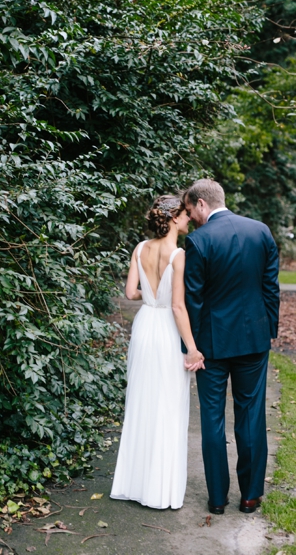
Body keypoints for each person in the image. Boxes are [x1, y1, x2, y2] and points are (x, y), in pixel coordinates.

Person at [182, 179, 279, 515]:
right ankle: (250, 496)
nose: (191, 216)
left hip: (211, 345)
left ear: (201, 203)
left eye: (191, 209)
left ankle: (218, 498)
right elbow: (270, 287)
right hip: (254, 340)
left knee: (212, 418)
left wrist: (190, 346)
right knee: (251, 415)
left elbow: (192, 299)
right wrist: (270, 330)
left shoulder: (197, 241)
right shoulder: (260, 231)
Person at [110, 195, 204, 509]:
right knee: (167, 404)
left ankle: (134, 483)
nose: (189, 218)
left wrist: (149, 296)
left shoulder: (140, 248)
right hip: (164, 328)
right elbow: (178, 306)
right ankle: (159, 490)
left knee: (140, 400)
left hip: (144, 324)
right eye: (185, 214)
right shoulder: (178, 255)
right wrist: (192, 349)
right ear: (174, 218)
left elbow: (129, 292)